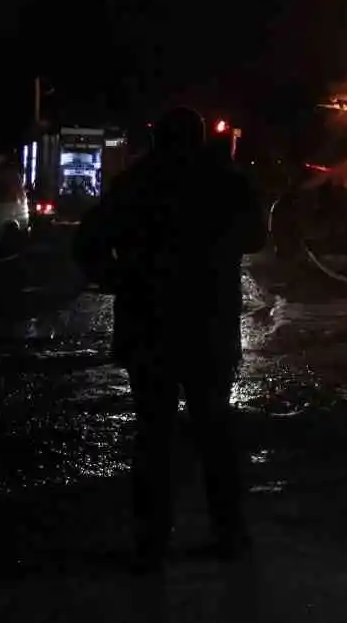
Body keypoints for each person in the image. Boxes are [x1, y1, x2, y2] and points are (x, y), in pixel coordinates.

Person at [74, 106, 265, 571]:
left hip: (149, 326)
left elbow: (88, 243)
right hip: (209, 326)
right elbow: (257, 237)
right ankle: (229, 536)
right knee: (215, 432)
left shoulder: (135, 182)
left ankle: (152, 543)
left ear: (157, 138)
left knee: (153, 436)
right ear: (199, 138)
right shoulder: (225, 182)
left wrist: (117, 277)